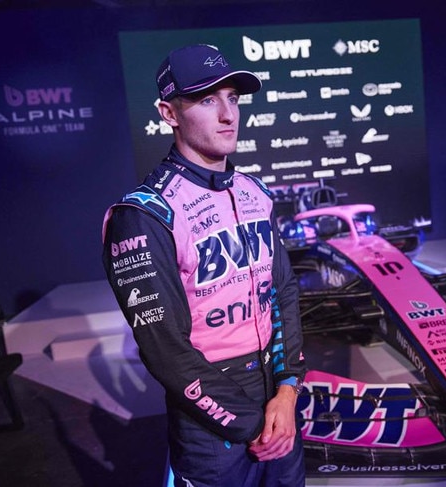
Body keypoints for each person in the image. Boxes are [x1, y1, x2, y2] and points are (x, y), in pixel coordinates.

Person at [101, 44, 306, 486]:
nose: (228, 114)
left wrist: (289, 390)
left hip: (278, 398)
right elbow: (165, 348)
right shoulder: (143, 215)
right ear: (168, 113)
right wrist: (250, 423)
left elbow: (284, 293)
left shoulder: (256, 194)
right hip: (212, 418)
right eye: (207, 99)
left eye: (233, 98)